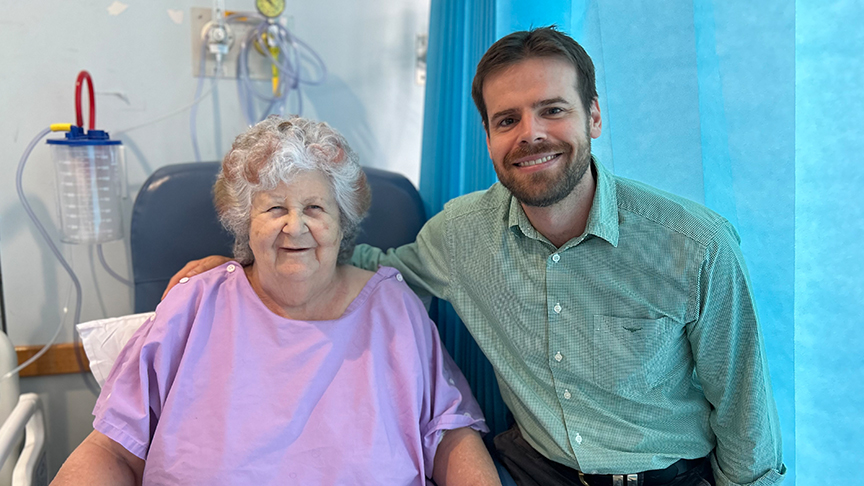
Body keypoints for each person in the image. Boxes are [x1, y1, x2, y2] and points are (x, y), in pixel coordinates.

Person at [166, 27, 786, 486]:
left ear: (593, 117)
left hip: (663, 475)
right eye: (506, 119)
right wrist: (245, 263)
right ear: (488, 136)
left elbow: (745, 415)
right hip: (530, 469)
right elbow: (379, 270)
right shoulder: (463, 232)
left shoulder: (694, 245)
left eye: (553, 110)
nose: (530, 134)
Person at [52, 116, 501, 486]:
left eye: (315, 208)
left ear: (343, 222)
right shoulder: (192, 306)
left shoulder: (392, 308)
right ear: (243, 222)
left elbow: (449, 434)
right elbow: (110, 449)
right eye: (274, 210)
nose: (295, 227)